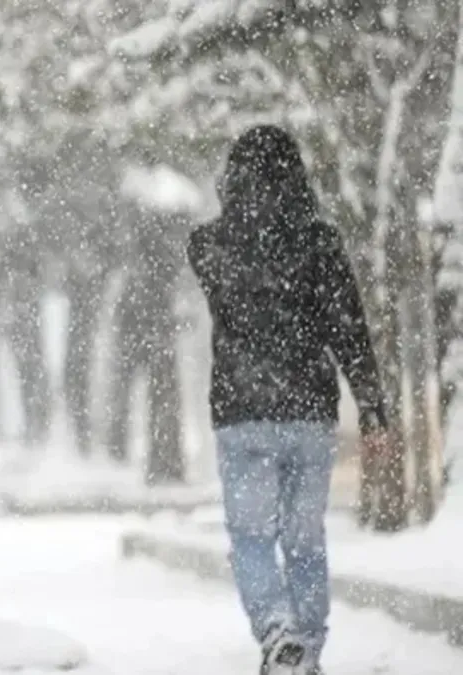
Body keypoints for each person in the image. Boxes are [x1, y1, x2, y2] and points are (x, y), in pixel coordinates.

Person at [187, 125, 389, 675]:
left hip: (242, 412)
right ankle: (307, 651)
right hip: (308, 413)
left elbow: (240, 272)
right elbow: (348, 327)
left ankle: (277, 632)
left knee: (251, 538)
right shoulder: (320, 241)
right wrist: (372, 406)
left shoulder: (208, 244)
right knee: (305, 541)